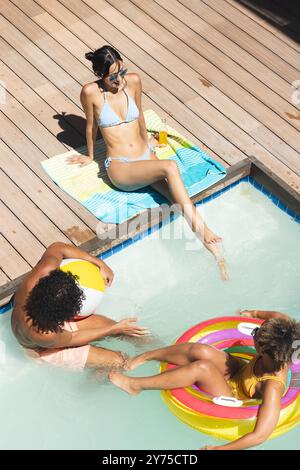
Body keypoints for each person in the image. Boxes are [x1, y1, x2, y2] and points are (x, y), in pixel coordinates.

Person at [67, 45, 228, 281]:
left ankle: (213, 251)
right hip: (121, 168)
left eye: (122, 72)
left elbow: (139, 115)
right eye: (112, 77)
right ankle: (204, 231)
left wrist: (148, 142)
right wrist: (90, 156)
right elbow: (90, 126)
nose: (119, 80)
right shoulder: (90, 92)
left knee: (177, 196)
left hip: (144, 157)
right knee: (170, 167)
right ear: (99, 75)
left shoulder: (133, 81)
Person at [109, 310, 300, 450]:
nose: (254, 335)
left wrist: (219, 450)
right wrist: (253, 312)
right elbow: (277, 317)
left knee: (203, 367)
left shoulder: (272, 386)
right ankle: (146, 356)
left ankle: (136, 385)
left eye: (255, 336)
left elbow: (260, 436)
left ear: (263, 351)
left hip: (234, 394)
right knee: (201, 351)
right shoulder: (284, 341)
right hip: (241, 371)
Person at [11, 242, 148, 371]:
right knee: (118, 361)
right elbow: (72, 337)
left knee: (126, 332)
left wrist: (99, 263)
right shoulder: (44, 334)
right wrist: (111, 329)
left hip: (45, 316)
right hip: (42, 349)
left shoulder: (43, 273)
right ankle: (92, 384)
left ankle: (159, 350)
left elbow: (58, 247)